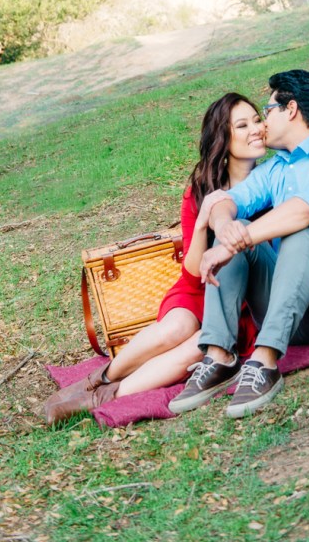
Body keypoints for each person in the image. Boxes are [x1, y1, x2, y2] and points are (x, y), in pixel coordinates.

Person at [168, 69, 309, 420]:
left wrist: (231, 245)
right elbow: (225, 202)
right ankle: (219, 356)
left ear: (292, 109)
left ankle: (265, 363)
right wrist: (225, 229)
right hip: (293, 315)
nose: (262, 123)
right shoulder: (274, 170)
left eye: (267, 111)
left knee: (301, 235)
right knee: (239, 225)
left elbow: (302, 212)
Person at [43, 92, 266, 424]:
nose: (257, 129)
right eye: (243, 125)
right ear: (223, 137)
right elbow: (192, 273)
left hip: (242, 299)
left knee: (199, 348)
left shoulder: (273, 181)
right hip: (198, 289)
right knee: (175, 327)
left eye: (258, 120)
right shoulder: (200, 189)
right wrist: (205, 218)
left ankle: (107, 396)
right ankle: (99, 378)